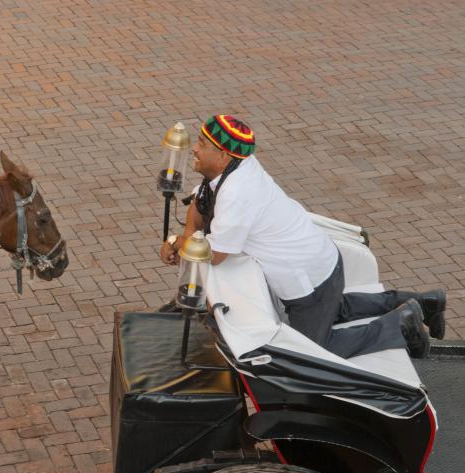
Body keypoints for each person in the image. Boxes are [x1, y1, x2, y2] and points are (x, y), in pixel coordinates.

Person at [161, 114, 445, 359]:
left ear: (223, 156)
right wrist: (188, 235)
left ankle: (400, 327)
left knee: (312, 352)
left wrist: (178, 242)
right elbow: (200, 203)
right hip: (322, 264)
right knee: (336, 308)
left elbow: (215, 255)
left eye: (202, 144)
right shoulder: (236, 166)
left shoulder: (237, 193)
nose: (194, 149)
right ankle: (426, 302)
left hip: (310, 279)